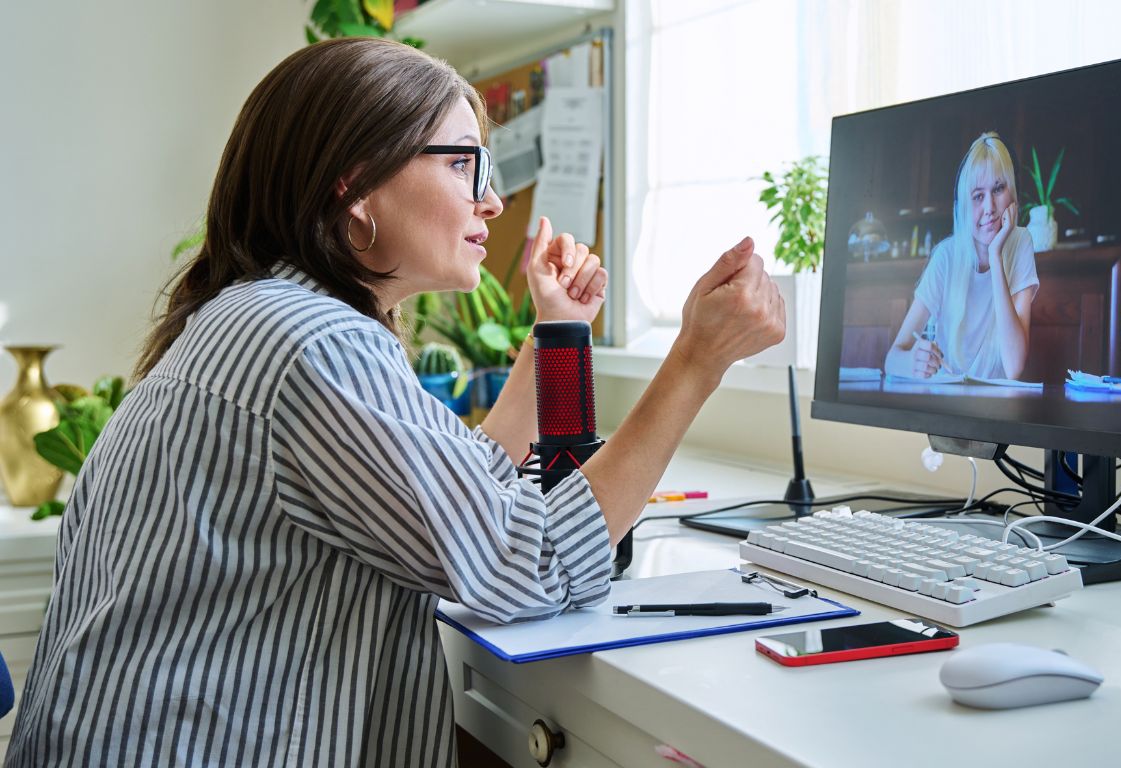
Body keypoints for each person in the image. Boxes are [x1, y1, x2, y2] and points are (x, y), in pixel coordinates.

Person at [6, 38, 784, 766]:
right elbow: (530, 562)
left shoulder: (259, 313)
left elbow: (450, 494)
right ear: (353, 181)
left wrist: (556, 339)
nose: (493, 203)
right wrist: (695, 363)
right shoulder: (312, 343)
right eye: (463, 167)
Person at [884, 132, 1038, 381]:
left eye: (998, 189)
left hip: (997, 408)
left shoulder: (1020, 242)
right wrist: (912, 362)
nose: (989, 208)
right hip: (949, 402)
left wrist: (995, 255)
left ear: (1012, 193)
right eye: (978, 196)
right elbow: (891, 359)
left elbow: (1014, 366)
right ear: (965, 204)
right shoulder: (946, 256)